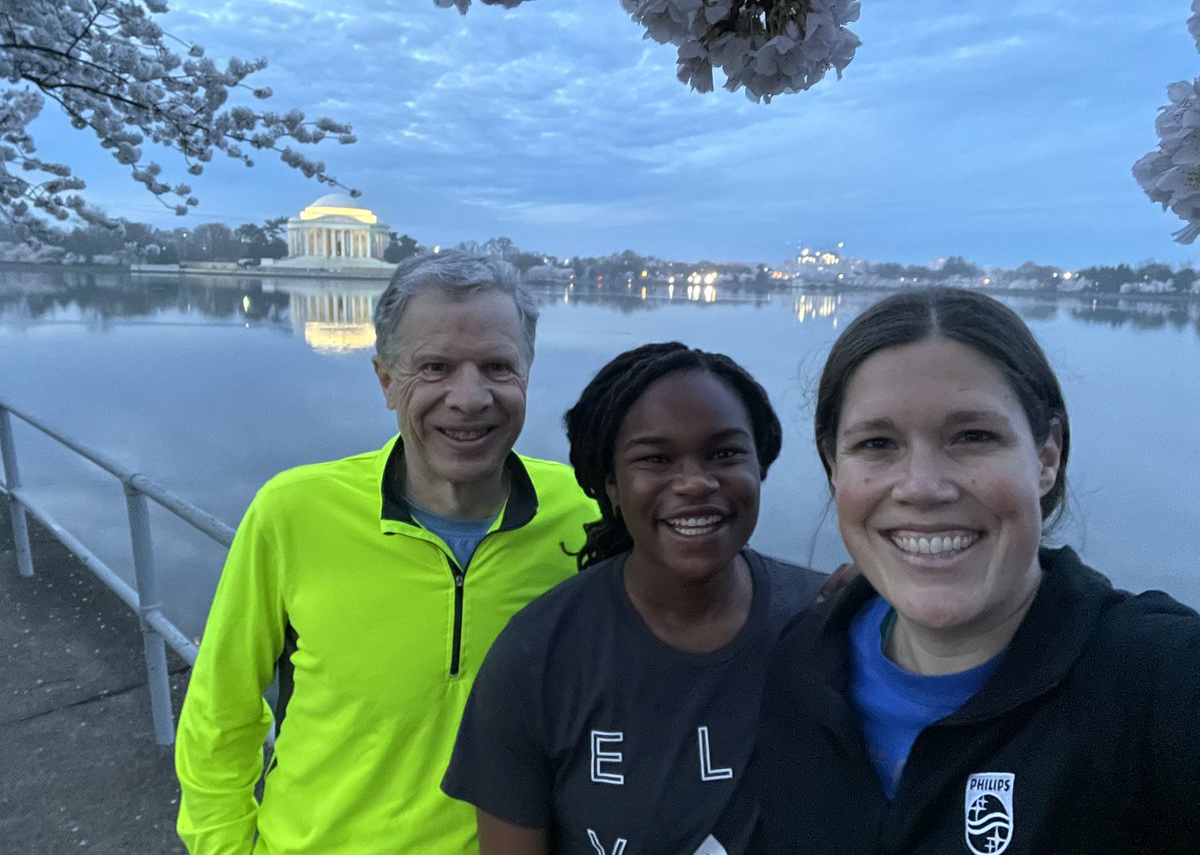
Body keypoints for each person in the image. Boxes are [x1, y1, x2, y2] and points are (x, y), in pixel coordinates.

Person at [739, 287, 1200, 853]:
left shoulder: (1162, 680)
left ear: (1046, 456)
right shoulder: (802, 665)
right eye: (878, 443)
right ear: (834, 466)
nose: (923, 487)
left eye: (973, 437)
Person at [174, 251, 598, 854]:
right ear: (386, 381)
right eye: (435, 367)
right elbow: (222, 712)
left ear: (527, 375)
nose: (470, 397)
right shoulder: (294, 512)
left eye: (497, 367)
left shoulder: (584, 517)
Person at [441, 341, 828, 855]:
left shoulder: (829, 626)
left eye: (724, 453)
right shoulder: (538, 657)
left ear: (761, 465)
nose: (694, 482)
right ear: (611, 486)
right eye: (656, 459)